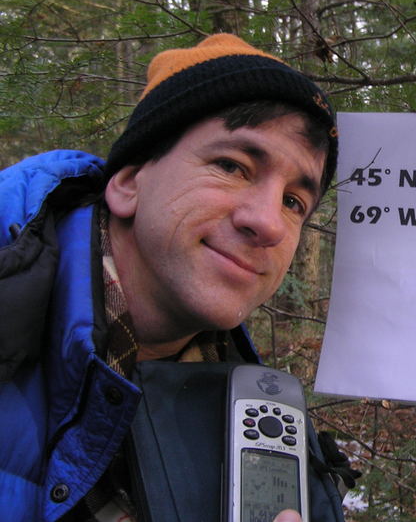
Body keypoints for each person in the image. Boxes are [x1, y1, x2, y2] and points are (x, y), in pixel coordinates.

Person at [0, 34, 352, 522]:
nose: (269, 223)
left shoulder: (263, 426)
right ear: (127, 183)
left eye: (294, 202)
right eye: (232, 166)